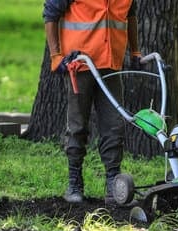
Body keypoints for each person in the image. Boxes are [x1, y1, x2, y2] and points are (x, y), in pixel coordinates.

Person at [42, 0, 142, 204]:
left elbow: (130, 17)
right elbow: (50, 14)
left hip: (111, 64)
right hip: (79, 66)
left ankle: (114, 185)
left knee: (114, 125)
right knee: (77, 126)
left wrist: (135, 52)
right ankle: (74, 182)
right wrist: (55, 56)